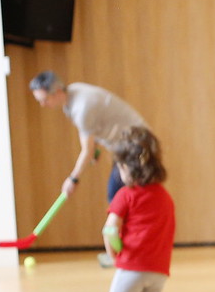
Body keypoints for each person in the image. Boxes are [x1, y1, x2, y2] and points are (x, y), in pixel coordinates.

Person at [29, 70, 151, 268]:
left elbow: (86, 149)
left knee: (119, 198)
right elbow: (98, 129)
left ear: (57, 91)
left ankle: (125, 254)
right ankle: (123, 253)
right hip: (124, 147)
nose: (43, 105)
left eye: (44, 99)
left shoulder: (81, 107)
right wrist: (95, 150)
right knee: (118, 198)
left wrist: (73, 179)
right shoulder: (71, 98)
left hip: (136, 146)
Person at [80, 128, 174, 292]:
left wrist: (113, 254)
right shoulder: (165, 197)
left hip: (132, 267)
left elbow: (110, 230)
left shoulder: (126, 195)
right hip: (159, 271)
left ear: (127, 168)